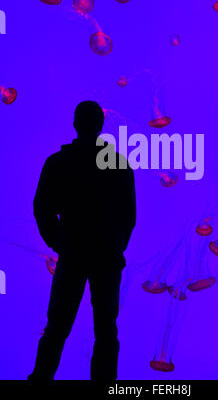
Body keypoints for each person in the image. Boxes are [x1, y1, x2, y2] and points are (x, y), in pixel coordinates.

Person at [28, 101, 136, 381]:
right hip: (106, 256)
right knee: (106, 328)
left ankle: (40, 378)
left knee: (57, 326)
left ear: (75, 124)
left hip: (73, 252)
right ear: (101, 125)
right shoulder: (119, 165)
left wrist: (59, 242)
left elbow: (42, 208)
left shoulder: (58, 163)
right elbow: (129, 215)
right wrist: (114, 244)